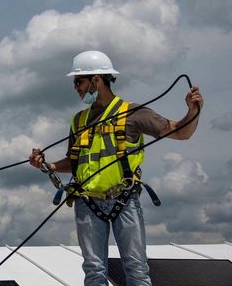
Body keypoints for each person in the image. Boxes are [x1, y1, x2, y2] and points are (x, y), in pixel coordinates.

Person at [28, 50, 202, 286]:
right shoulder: (78, 121)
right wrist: (48, 166)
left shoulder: (132, 113)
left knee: (136, 269)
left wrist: (192, 111)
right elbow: (75, 161)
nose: (75, 88)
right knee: (94, 271)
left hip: (124, 199)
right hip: (87, 202)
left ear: (96, 80)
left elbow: (180, 132)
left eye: (78, 81)